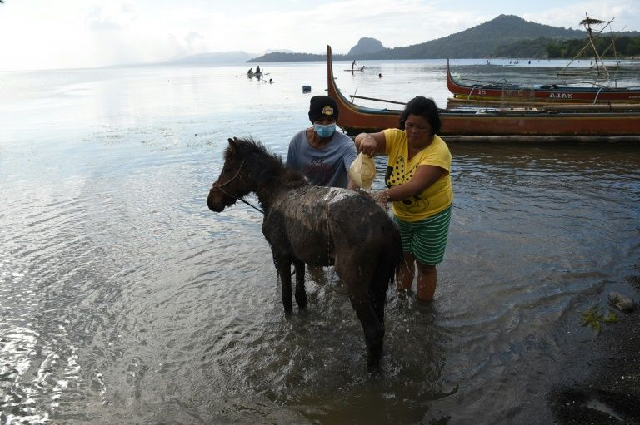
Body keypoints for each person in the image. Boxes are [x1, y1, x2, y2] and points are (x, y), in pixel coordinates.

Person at [354, 96, 452, 301]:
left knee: (425, 265)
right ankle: (402, 298)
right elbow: (359, 137)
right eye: (410, 125)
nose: (414, 131)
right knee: (403, 259)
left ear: (433, 129)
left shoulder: (439, 152)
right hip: (402, 215)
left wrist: (381, 195)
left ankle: (424, 309)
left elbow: (414, 186)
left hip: (431, 216)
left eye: (421, 128)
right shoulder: (396, 137)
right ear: (403, 124)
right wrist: (367, 139)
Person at [286, 96, 357, 189]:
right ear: (313, 121)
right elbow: (289, 175)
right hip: (306, 197)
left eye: (330, 120)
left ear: (335, 121)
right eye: (320, 120)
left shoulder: (346, 145)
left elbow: (354, 177)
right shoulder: (297, 142)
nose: (325, 124)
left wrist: (350, 194)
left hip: (337, 199)